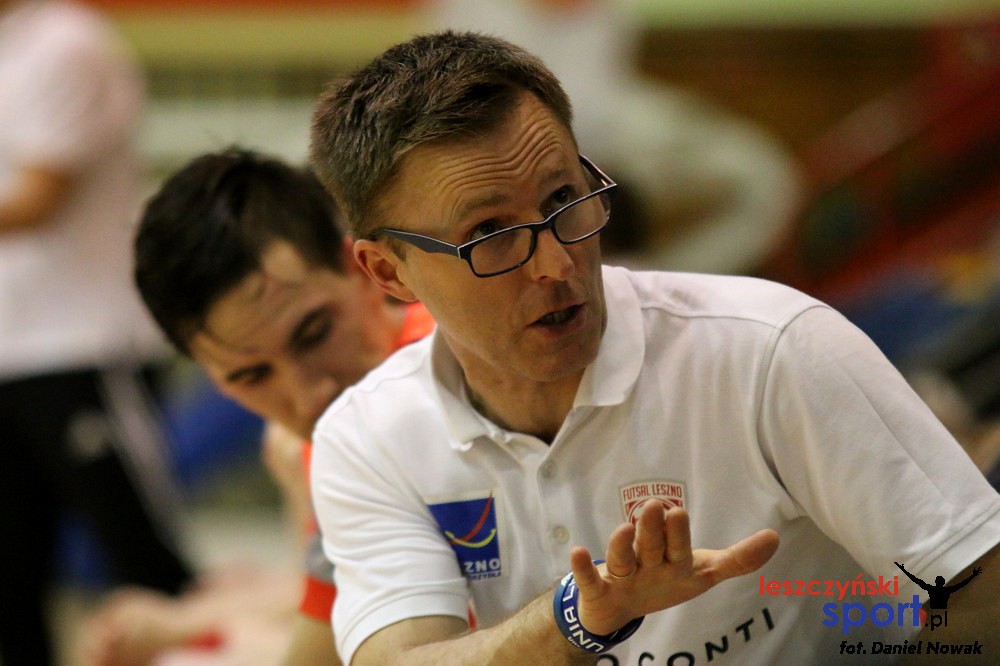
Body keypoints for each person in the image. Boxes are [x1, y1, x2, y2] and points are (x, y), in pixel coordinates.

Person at [307, 30, 1000, 664]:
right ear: (388, 272)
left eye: (563, 200)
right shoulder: (369, 436)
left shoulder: (771, 351)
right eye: (491, 235)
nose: (556, 263)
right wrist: (579, 620)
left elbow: (982, 591)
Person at [82, 147, 437, 665]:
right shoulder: (300, 445)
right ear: (214, 379)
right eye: (252, 375)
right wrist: (205, 615)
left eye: (314, 333)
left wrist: (192, 627)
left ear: (363, 269)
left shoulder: (463, 363)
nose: (308, 395)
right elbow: (332, 598)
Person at [0, 1, 194, 663]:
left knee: (144, 563)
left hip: (82, 347)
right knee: (11, 574)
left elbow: (39, 197)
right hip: (11, 353)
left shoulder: (65, 43)